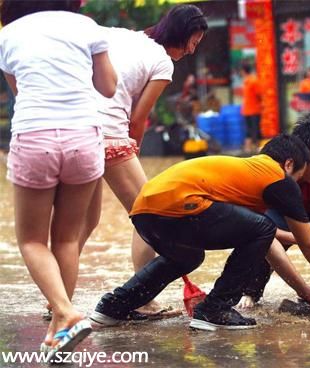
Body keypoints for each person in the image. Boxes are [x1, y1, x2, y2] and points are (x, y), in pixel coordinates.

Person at [89, 134, 310, 331]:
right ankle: (215, 309)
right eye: (298, 178)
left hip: (145, 212)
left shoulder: (243, 177)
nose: (296, 186)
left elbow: (268, 243)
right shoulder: (277, 176)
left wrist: (303, 290)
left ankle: (113, 307)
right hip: (180, 206)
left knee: (188, 258)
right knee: (264, 228)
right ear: (289, 164)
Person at [0, 0, 117, 356]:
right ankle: (58, 331)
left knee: (32, 242)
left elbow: (21, 92)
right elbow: (109, 87)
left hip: (35, 136)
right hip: (83, 136)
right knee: (66, 239)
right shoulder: (86, 26)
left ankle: (64, 312)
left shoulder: (8, 35)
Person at [80, 4, 207, 318]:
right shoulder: (163, 62)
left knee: (82, 223)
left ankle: (56, 301)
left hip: (76, 130)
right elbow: (138, 119)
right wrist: (131, 149)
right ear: (181, 33)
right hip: (109, 133)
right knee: (150, 211)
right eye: (194, 40)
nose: (192, 50)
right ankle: (143, 299)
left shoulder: (123, 36)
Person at [238, 118, 310, 308]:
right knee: (261, 237)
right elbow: (252, 224)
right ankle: (251, 291)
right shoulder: (277, 170)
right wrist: (296, 238)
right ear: (297, 157)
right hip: (281, 216)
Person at [240, 64, 262, 153]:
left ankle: (255, 148)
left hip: (254, 110)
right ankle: (249, 148)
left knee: (254, 129)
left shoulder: (252, 81)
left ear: (243, 71)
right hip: (249, 110)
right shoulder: (248, 81)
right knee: (251, 129)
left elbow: (258, 94)